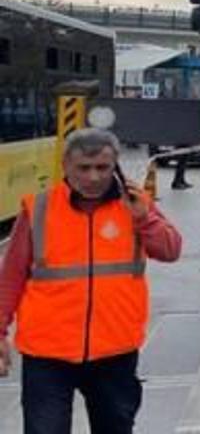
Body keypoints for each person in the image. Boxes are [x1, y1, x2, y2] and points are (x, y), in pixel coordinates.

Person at [0, 128, 183, 433]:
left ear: (116, 166)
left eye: (103, 167)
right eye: (84, 168)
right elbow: (10, 276)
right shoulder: (39, 208)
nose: (94, 177)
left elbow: (170, 249)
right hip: (47, 353)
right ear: (66, 167)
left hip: (114, 352)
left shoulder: (135, 204)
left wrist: (144, 218)